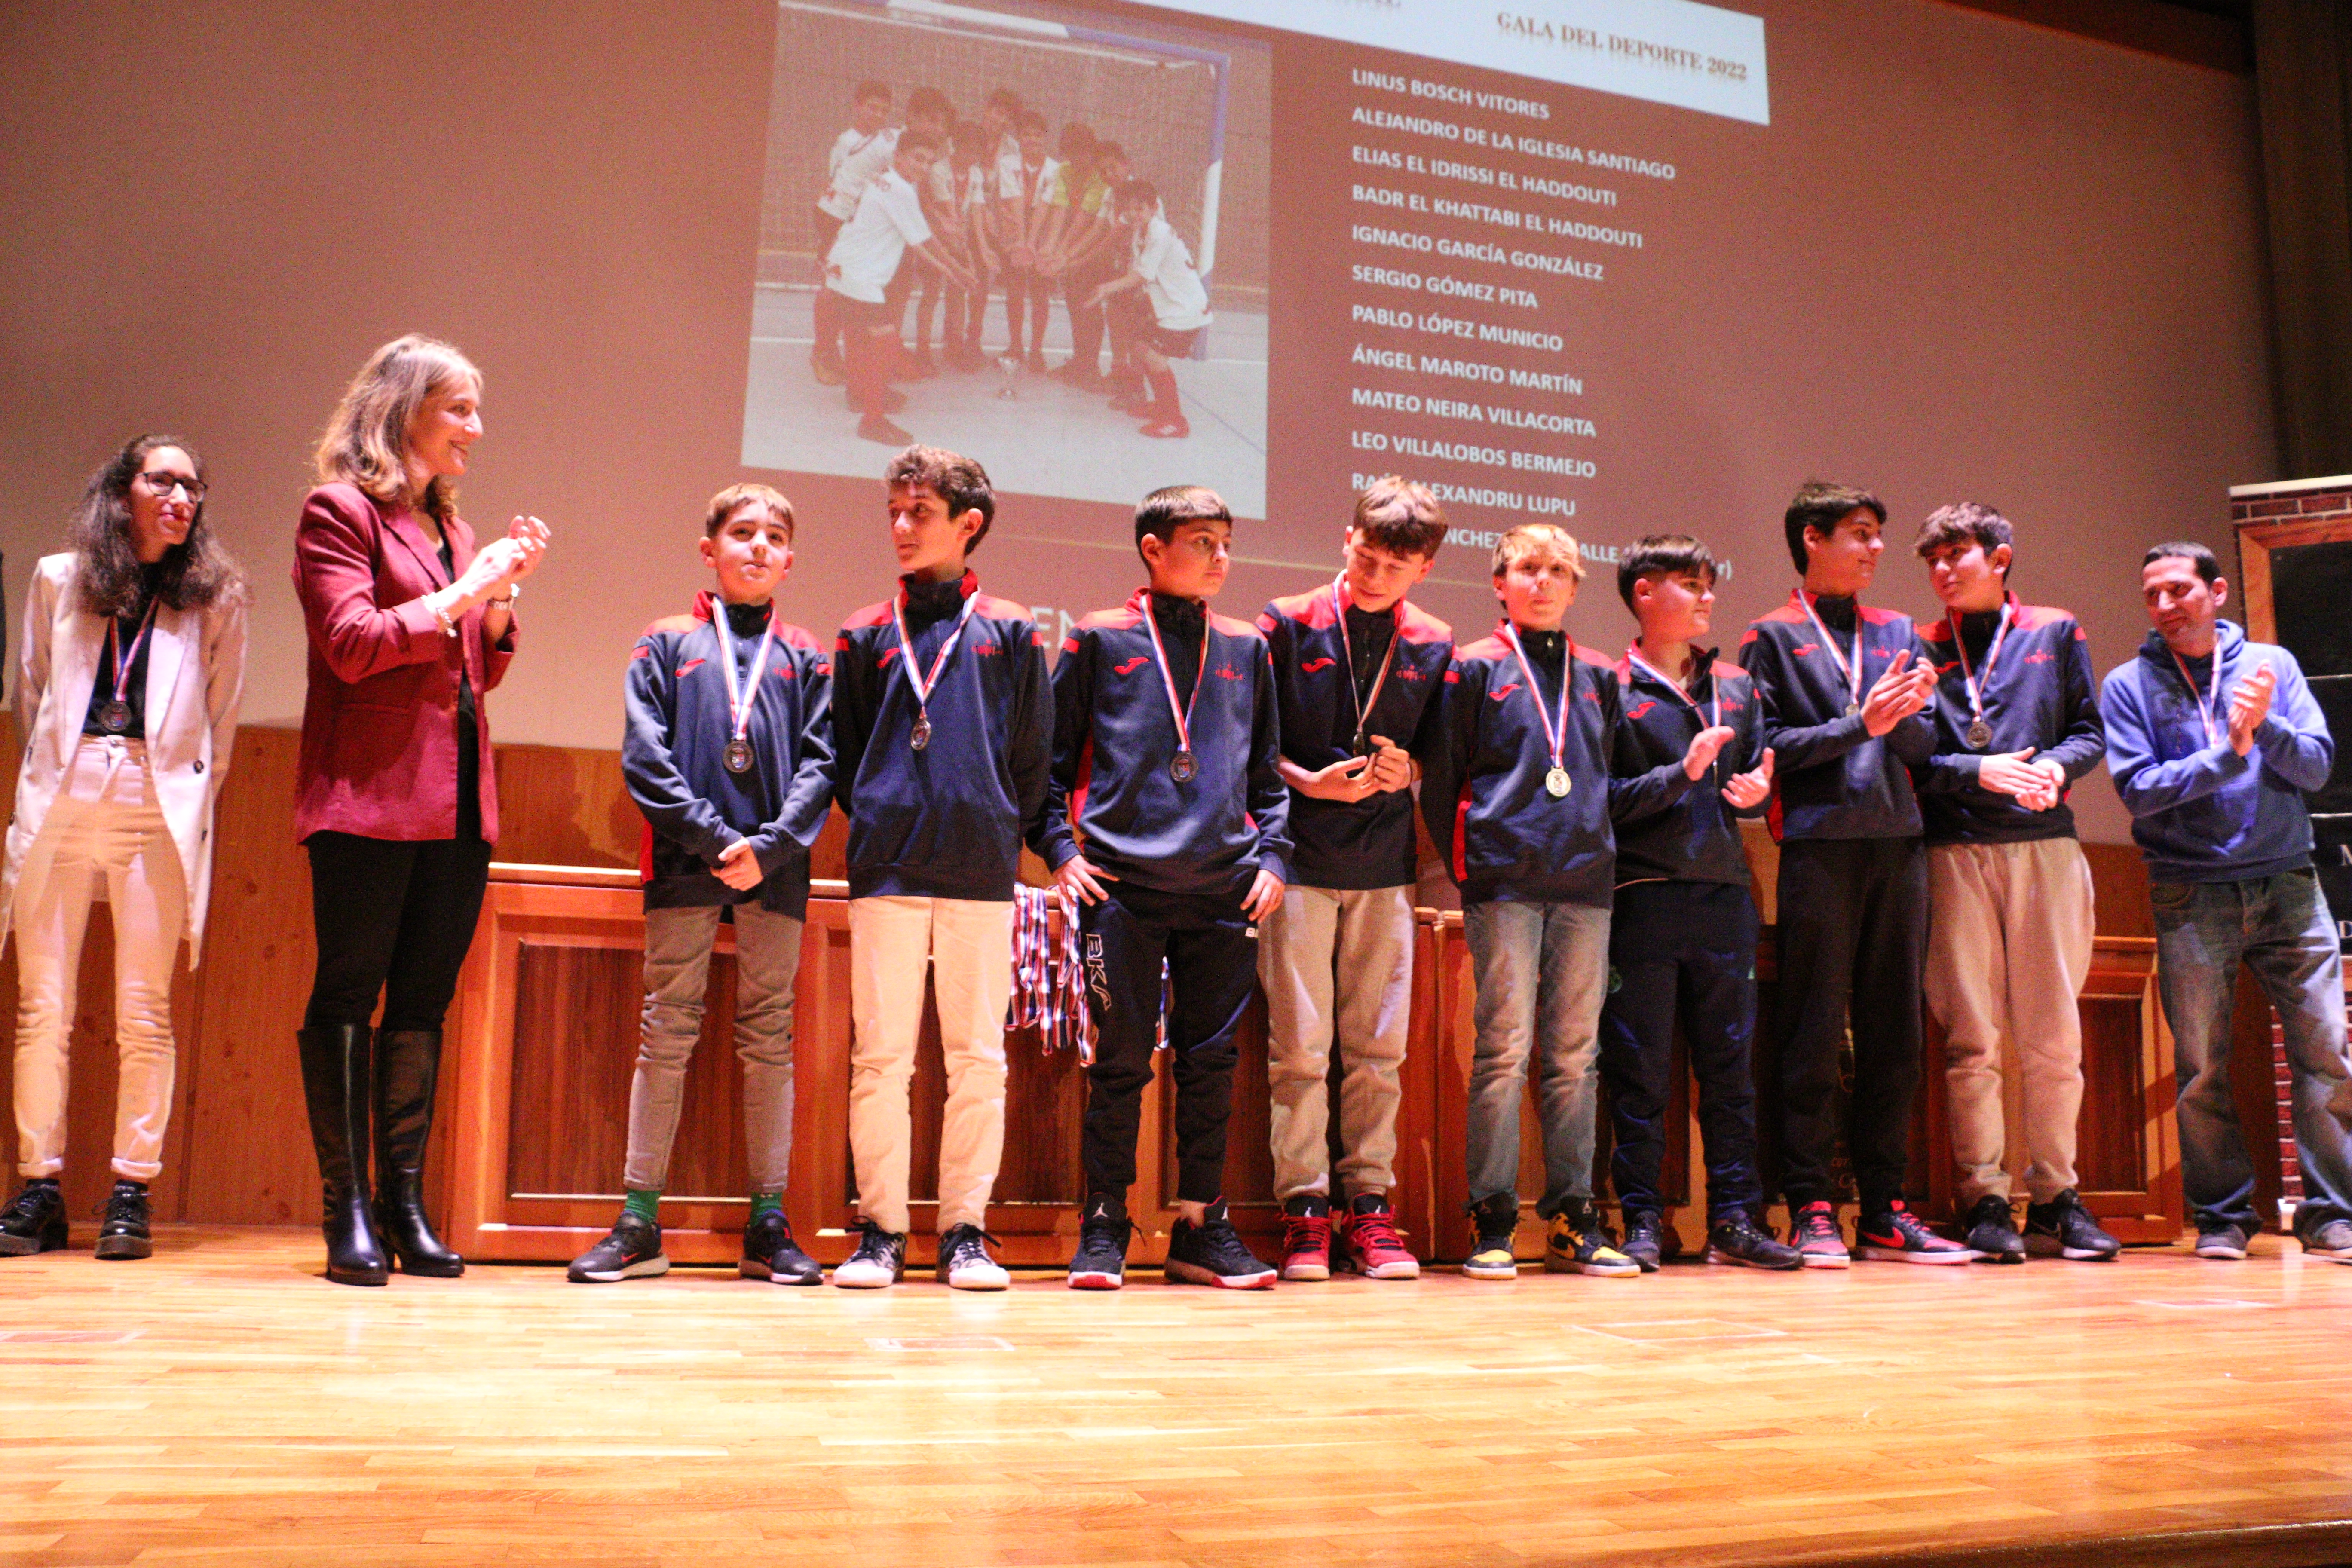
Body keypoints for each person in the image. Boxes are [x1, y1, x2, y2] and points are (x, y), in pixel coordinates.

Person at [293, 334, 550, 1286]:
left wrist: (496, 601)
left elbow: (472, 671)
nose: (476, 430)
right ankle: (346, 1208)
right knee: (350, 994)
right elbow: (354, 645)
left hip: (455, 802)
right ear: (404, 411)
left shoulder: (455, 529)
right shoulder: (338, 512)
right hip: (367, 797)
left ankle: (404, 1202)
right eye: (460, 410)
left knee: (426, 1003)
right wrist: (461, 595)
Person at [1423, 524, 1728, 1280]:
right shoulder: (1472, 668)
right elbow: (1439, 785)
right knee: (1502, 1050)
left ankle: (1571, 1219)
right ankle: (1491, 1219)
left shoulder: (1598, 676)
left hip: (1588, 886)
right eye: (1528, 568)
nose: (1543, 581)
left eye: (1559, 569)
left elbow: (1612, 791)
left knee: (1573, 1058)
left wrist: (1681, 774)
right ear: (1500, 582)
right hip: (1505, 882)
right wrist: (1475, 866)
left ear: (1575, 586)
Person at [565, 484, 833, 1287]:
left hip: (776, 870)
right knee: (666, 1028)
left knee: (768, 1033)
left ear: (790, 557)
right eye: (741, 532)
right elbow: (646, 757)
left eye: (774, 535)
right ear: (708, 548)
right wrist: (721, 840)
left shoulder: (806, 653)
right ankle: (640, 1221)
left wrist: (772, 844)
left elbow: (824, 765)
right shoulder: (666, 641)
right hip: (687, 861)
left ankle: (768, 1223)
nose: (757, 546)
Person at [1035, 486, 1290, 1289]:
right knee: (1118, 1061)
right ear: (1153, 549)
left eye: (1226, 542)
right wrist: (1058, 851)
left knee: (1210, 1063)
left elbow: (1269, 776)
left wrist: (1274, 858)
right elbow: (1044, 764)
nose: (1221, 557)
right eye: (1202, 541)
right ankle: (1104, 1222)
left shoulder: (1247, 647)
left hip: (1223, 890)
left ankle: (1200, 1225)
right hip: (1122, 891)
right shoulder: (1099, 640)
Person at [0, 437, 247, 1262]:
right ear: (122, 491)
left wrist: (171, 792)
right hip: (63, 796)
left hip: (152, 800)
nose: (181, 496)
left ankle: (131, 1192)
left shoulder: (216, 598)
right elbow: (31, 696)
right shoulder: (56, 579)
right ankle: (40, 1188)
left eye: (192, 484)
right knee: (44, 1008)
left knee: (145, 1012)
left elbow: (222, 724)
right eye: (162, 480)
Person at [830, 447, 1051, 1290]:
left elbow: (1032, 755)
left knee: (978, 1060)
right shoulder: (863, 631)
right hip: (887, 867)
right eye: (893, 510)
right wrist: (890, 808)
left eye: (918, 513)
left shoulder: (1012, 630)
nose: (900, 527)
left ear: (969, 524)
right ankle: (880, 1233)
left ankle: (965, 1230)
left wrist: (1000, 820)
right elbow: (850, 755)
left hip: (980, 870)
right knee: (881, 1059)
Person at [2101, 541, 2352, 1263]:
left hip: (2287, 882)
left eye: (2177, 589)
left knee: (2324, 1052)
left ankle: (2331, 1213)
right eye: (2151, 594)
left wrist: (2262, 725)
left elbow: (2315, 764)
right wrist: (2225, 753)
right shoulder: (2128, 685)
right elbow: (2137, 790)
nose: (2163, 605)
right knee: (2201, 1065)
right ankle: (2221, 1216)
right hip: (2189, 887)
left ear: (2215, 592)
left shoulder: (2272, 667)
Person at [1740, 481, 1964, 1266]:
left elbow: (1922, 752)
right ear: (1812, 537)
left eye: (1876, 535)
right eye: (1859, 533)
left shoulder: (1897, 629)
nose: (1874, 549)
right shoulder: (1768, 637)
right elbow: (1761, 750)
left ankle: (1884, 1204)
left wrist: (1903, 720)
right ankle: (1808, 1201)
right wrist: (1854, 724)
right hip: (1817, 847)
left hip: (1897, 846)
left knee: (1893, 1030)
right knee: (1809, 1029)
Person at [1253, 477, 1453, 1281]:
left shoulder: (1433, 642)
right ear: (1346, 541)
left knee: (1378, 1051)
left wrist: (1406, 772)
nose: (1374, 576)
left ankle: (1369, 1208)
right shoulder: (1286, 620)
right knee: (1299, 1049)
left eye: (1393, 567)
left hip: (1384, 869)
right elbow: (1245, 742)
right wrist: (1307, 782)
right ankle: (1304, 1209)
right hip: (1299, 860)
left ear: (1424, 571)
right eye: (1365, 557)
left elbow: (1436, 762)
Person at [1911, 503, 2119, 1263]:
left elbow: (2088, 731)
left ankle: (2057, 1195)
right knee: (1973, 1036)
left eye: (1955, 554)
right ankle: (1985, 1199)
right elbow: (1910, 755)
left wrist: (2057, 768)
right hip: (1954, 850)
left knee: (2052, 1036)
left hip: (2044, 849)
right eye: (1932, 558)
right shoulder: (1917, 644)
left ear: (1999, 558)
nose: (1941, 570)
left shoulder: (2054, 629)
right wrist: (1978, 768)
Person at [1599, 535, 1798, 1271]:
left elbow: (1748, 780)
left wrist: (1754, 793)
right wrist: (1679, 775)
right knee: (1638, 1068)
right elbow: (1603, 802)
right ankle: (1644, 1219)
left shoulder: (1738, 686)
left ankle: (1735, 1219)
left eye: (1709, 582)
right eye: (1689, 583)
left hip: (1723, 896)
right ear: (1644, 594)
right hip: (1643, 898)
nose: (1707, 596)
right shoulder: (1607, 685)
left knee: (1729, 1070)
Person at [822, 127, 979, 446]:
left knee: (857, 336)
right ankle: (873, 419)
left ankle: (858, 393)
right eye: (916, 159)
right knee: (884, 343)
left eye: (928, 162)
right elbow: (925, 242)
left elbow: (918, 240)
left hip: (843, 268)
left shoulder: (887, 181)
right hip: (858, 276)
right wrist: (959, 271)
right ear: (899, 157)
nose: (922, 167)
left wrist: (952, 272)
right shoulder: (900, 189)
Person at [1084, 180, 1211, 439]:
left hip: (1184, 309)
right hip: (1168, 305)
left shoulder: (1160, 233)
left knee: (1151, 354)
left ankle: (1175, 420)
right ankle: (1162, 406)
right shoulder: (1140, 232)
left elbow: (1142, 276)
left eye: (1140, 209)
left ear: (1154, 209)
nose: (1133, 215)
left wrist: (1106, 288)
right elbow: (1139, 272)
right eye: (1129, 210)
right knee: (1139, 347)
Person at [810, 79, 897, 386]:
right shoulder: (848, 141)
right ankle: (824, 351)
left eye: (885, 111)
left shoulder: (881, 142)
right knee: (833, 288)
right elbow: (837, 183)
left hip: (855, 224)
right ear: (857, 106)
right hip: (838, 218)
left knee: (849, 290)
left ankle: (848, 353)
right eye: (872, 108)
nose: (878, 115)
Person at [995, 110, 1059, 371]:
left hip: (1042, 236)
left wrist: (1032, 246)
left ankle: (1037, 349)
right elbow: (1012, 203)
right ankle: (1016, 345)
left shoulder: (1056, 169)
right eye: (1028, 135)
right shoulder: (1007, 163)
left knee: (1041, 296)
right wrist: (1020, 245)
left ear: (1045, 138)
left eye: (1038, 135)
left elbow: (1047, 206)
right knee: (1016, 293)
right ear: (1019, 137)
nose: (1033, 140)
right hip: (1014, 230)